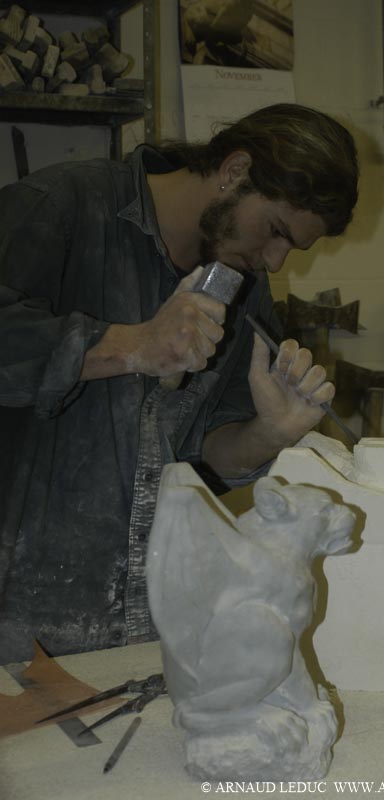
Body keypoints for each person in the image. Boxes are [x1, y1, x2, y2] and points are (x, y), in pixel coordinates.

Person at [0, 103, 359, 664]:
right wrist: (128, 345)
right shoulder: (62, 207)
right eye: (275, 232)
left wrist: (268, 434)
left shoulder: (244, 287)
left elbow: (201, 456)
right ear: (235, 170)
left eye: (292, 248)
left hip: (142, 621)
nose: (275, 260)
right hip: (16, 620)